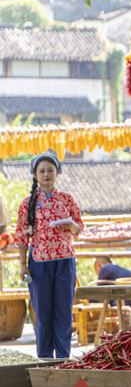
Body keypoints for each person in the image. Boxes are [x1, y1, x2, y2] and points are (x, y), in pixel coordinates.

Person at [13, 152, 83, 358]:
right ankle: (44, 359)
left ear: (57, 173)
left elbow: (79, 228)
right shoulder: (27, 203)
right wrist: (22, 264)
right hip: (39, 263)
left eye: (50, 170)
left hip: (65, 261)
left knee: (63, 312)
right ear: (35, 175)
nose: (46, 174)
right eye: (42, 171)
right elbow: (21, 236)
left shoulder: (67, 199)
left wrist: (71, 226)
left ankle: (62, 359)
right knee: (43, 314)